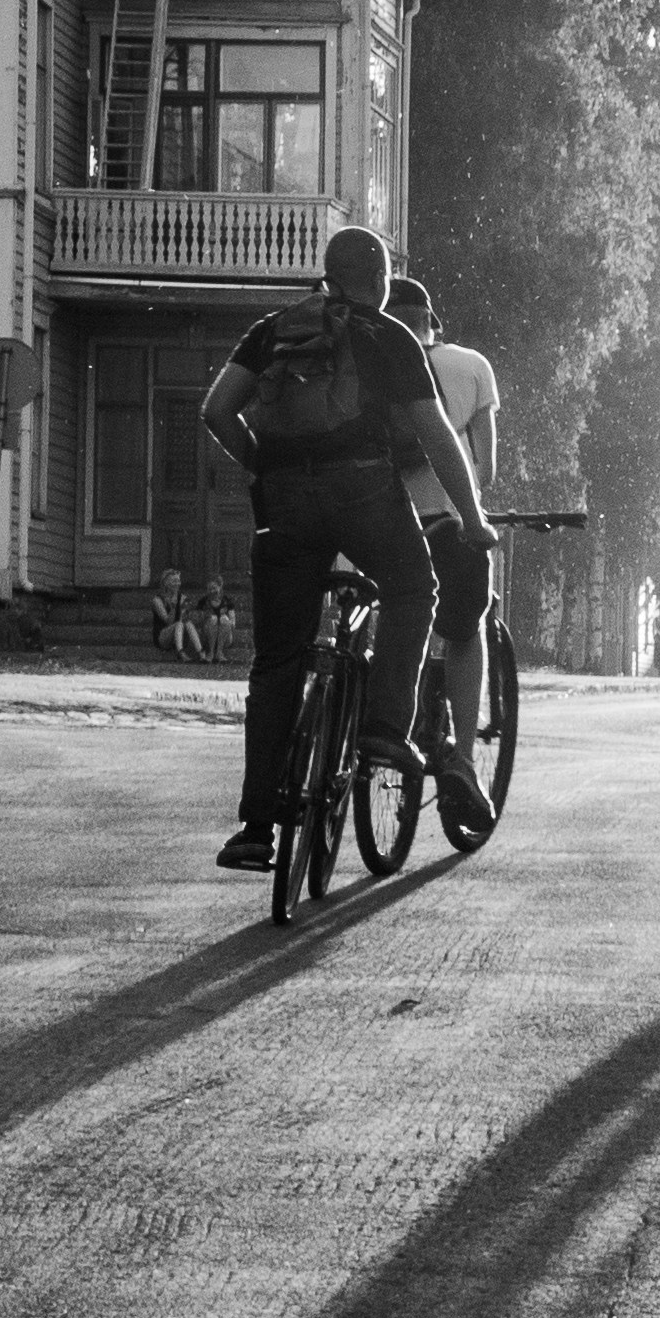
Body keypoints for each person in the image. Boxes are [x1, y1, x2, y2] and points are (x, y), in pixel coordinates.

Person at [198, 223, 490, 871]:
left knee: (277, 659)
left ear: (327, 275)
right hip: (363, 495)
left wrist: (263, 466)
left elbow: (217, 411)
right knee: (415, 589)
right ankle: (385, 730)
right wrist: (472, 520)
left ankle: (255, 829)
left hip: (283, 506)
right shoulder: (388, 336)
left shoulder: (274, 328)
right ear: (383, 282)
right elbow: (438, 439)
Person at [384, 274, 504, 840]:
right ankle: (461, 757)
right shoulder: (471, 365)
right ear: (432, 323)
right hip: (449, 521)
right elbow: (486, 464)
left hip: (373, 517)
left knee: (386, 612)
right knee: (465, 628)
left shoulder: (365, 353)